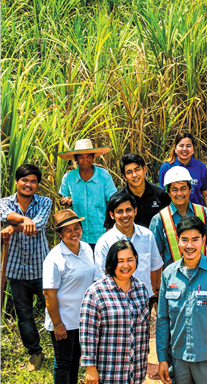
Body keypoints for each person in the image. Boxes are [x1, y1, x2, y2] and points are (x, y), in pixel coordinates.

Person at [156, 216, 207, 384]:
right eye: (184, 240)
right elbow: (163, 319)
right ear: (178, 241)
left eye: (195, 239)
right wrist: (162, 358)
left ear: (203, 240)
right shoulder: (168, 274)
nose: (190, 245)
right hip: (178, 359)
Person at [0, 164, 52, 371]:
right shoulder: (4, 202)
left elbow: (38, 226)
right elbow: (7, 215)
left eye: (33, 181)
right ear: (16, 181)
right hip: (15, 270)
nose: (28, 184)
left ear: (37, 184)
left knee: (53, 308)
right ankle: (35, 352)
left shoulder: (45, 202)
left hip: (42, 269)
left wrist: (12, 226)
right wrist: (21, 220)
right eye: (24, 180)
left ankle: (64, 345)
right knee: (24, 315)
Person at [80, 240, 151, 384]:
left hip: (136, 371)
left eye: (130, 260)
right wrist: (90, 368)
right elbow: (88, 333)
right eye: (120, 261)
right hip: (109, 373)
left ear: (136, 260)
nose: (126, 265)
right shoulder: (96, 292)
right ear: (112, 263)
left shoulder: (141, 288)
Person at [43, 209, 97, 384]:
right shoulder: (55, 258)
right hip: (64, 320)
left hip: (82, 319)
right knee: (63, 362)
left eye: (77, 228)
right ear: (60, 234)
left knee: (76, 360)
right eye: (68, 230)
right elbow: (49, 295)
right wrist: (58, 324)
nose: (74, 233)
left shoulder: (86, 248)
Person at [95, 193, 164, 300]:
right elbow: (101, 277)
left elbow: (155, 268)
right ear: (112, 215)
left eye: (128, 210)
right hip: (116, 302)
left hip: (144, 300)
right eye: (119, 211)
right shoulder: (104, 242)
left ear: (135, 211)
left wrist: (154, 296)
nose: (125, 215)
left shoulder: (147, 236)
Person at [150, 166, 207, 266]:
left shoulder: (204, 213)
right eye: (174, 190)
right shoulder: (159, 219)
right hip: (173, 279)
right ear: (168, 192)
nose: (179, 193)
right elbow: (154, 254)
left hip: (203, 276)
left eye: (183, 189)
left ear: (190, 189)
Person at [58, 138, 117, 247]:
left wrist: (110, 227)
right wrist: (67, 201)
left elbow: (113, 201)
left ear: (93, 157)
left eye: (88, 156)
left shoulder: (104, 176)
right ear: (76, 159)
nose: (85, 160)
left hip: (101, 232)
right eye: (81, 157)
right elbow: (65, 199)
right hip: (77, 234)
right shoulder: (69, 177)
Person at [103, 153, 171, 229]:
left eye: (137, 170)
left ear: (144, 169)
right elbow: (109, 229)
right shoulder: (116, 199)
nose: (134, 175)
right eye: (129, 172)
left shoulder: (161, 194)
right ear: (124, 177)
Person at [158, 132, 207, 210]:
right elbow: (162, 196)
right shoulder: (166, 168)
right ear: (175, 147)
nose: (185, 149)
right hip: (174, 215)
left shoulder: (201, 167)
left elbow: (206, 194)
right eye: (181, 146)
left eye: (188, 146)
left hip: (197, 214)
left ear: (193, 148)